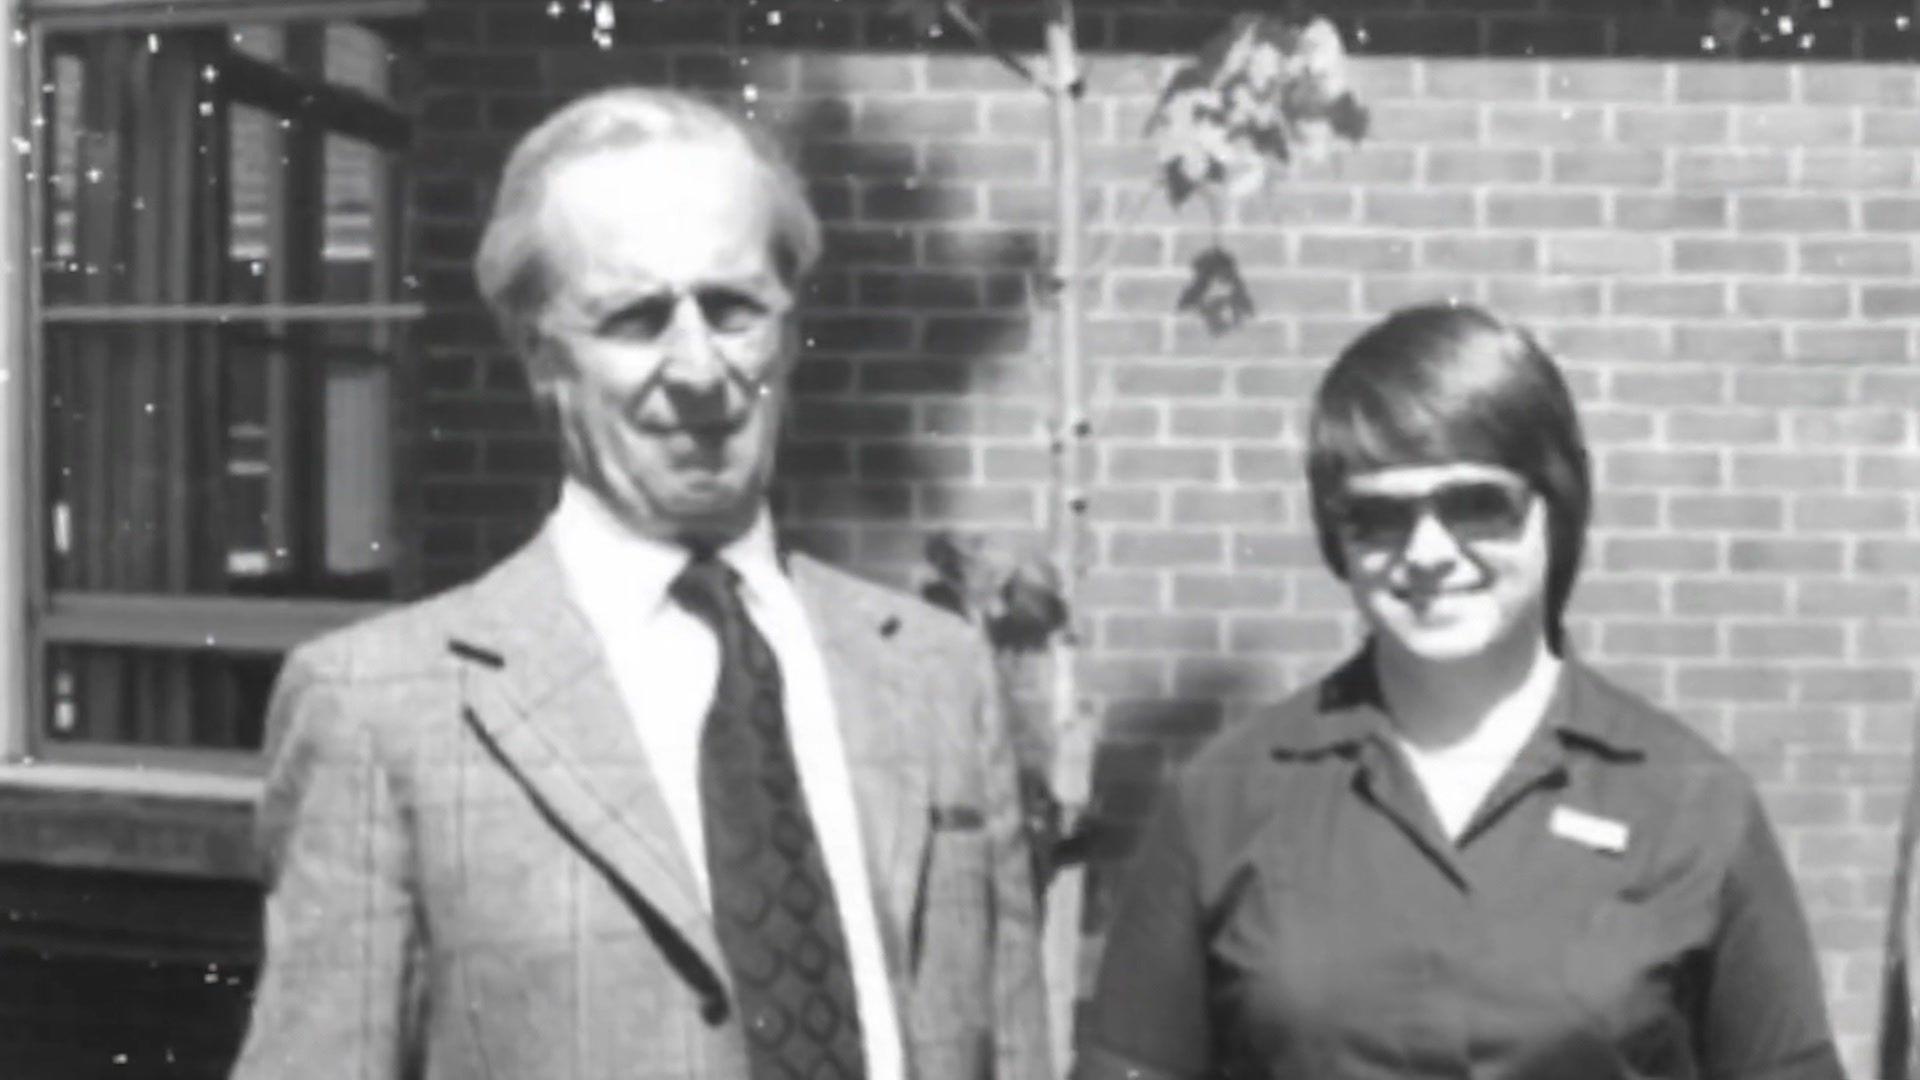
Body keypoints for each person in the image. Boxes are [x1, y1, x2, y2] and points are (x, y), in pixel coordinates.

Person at [232, 87, 1049, 1080]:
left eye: (735, 307)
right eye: (635, 317)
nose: (699, 367)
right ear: (542, 356)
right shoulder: (383, 710)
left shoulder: (937, 677)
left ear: (788, 335)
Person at [1075, 303, 1844, 1080]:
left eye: (1477, 505)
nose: (1428, 553)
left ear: (1558, 505)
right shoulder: (1226, 800)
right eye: (1378, 516)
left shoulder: (1691, 806)